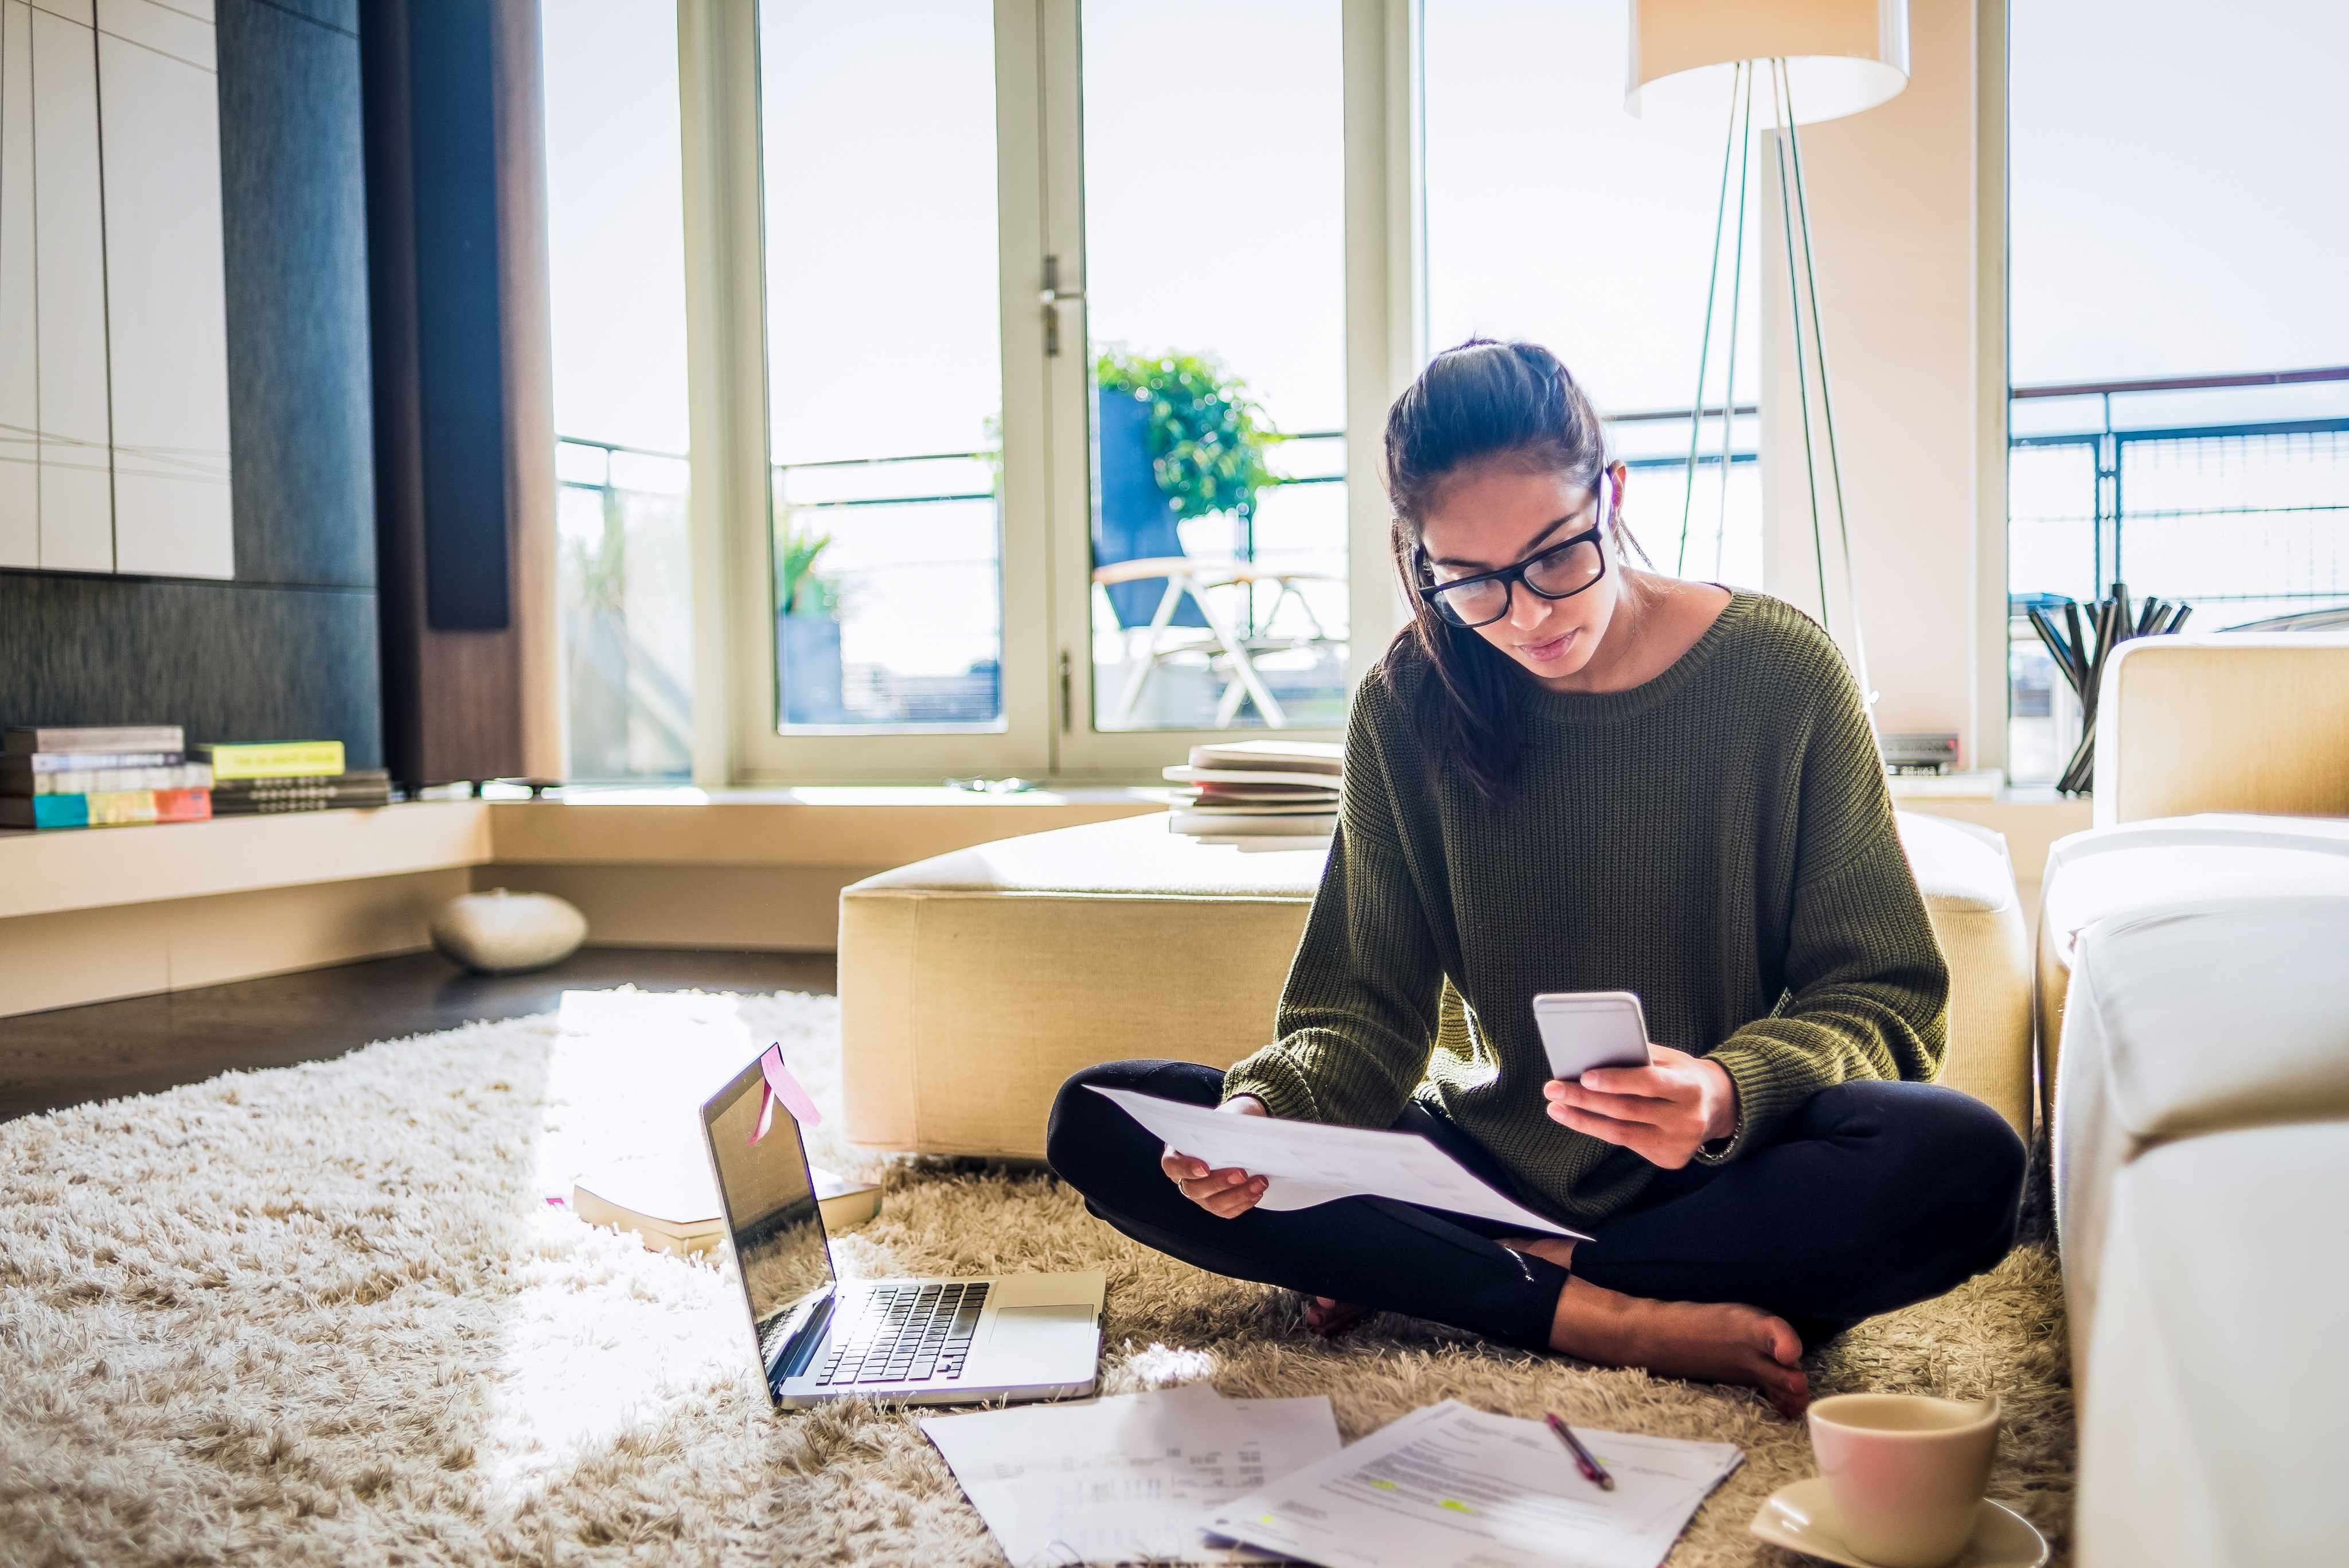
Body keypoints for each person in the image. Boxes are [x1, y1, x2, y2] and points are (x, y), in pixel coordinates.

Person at [1045, 340, 2026, 1417]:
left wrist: (1723, 1092)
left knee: (1965, 1162)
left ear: (1612, 495)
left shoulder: (1784, 675)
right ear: (1422, 560)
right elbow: (1362, 1014)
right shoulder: (1406, 705)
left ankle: (1475, 1277)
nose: (1527, 615)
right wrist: (1263, 1114)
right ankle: (1607, 1314)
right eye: (1470, 581)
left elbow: (1884, 993)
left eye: (1557, 556)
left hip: (1715, 1181)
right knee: (1102, 1119)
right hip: (1480, 1169)